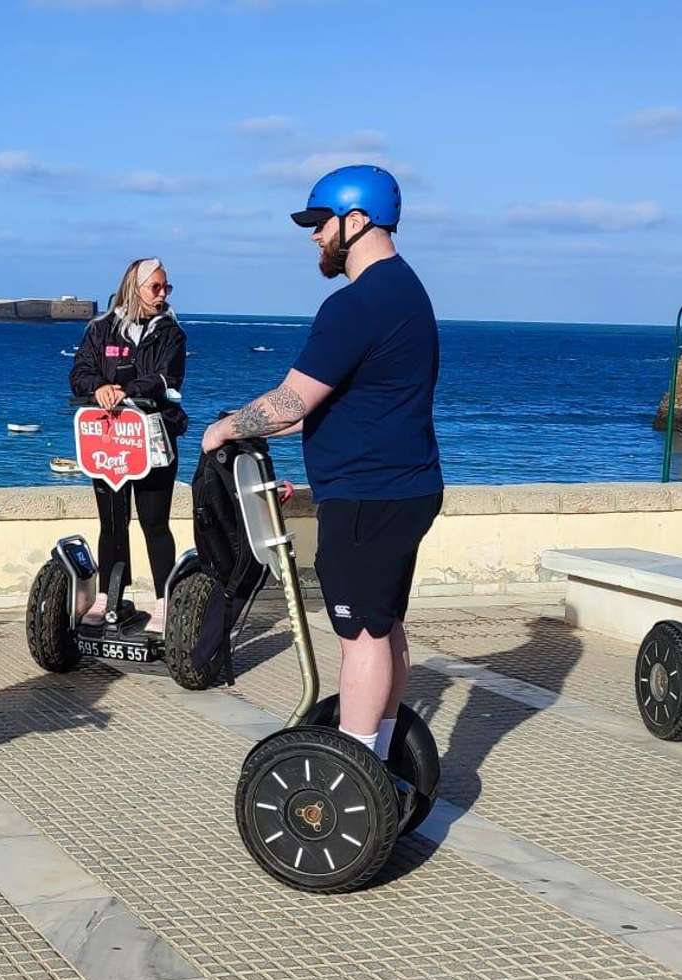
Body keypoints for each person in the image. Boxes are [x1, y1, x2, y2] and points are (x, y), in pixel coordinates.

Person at [198, 164, 441, 762]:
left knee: (358, 636)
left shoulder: (355, 304)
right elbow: (345, 406)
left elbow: (290, 403)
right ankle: (379, 757)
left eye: (319, 222)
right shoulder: (408, 291)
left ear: (355, 222)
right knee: (384, 628)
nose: (313, 236)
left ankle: (352, 771)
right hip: (407, 487)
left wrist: (222, 429)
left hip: (365, 496)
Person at [68, 257, 188, 633]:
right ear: (134, 288)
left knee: (155, 522)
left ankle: (165, 601)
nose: (162, 294)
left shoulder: (171, 333)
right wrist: (98, 388)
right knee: (112, 523)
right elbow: (79, 373)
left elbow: (167, 378)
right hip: (108, 439)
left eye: (166, 287)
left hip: (154, 437)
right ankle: (109, 596)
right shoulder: (101, 329)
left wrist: (126, 390)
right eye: (156, 287)